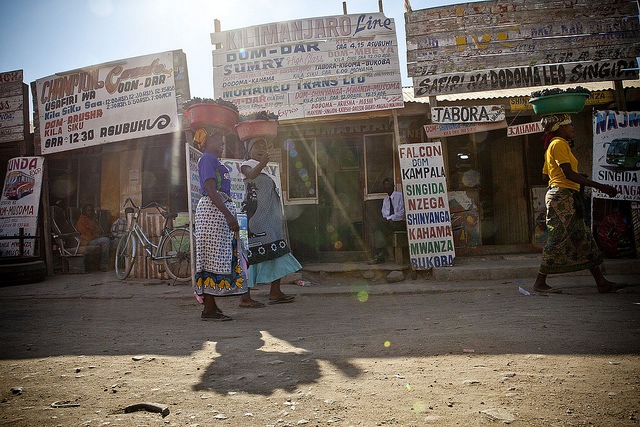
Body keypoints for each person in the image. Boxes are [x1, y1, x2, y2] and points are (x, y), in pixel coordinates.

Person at [533, 114, 620, 294]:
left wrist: (576, 179)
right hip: (562, 197)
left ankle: (601, 282)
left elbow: (546, 175)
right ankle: (540, 283)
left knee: (582, 237)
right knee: (562, 238)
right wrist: (601, 186)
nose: (572, 128)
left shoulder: (555, 145)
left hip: (563, 194)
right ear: (560, 128)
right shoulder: (558, 144)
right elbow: (568, 174)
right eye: (569, 125)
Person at [239, 136, 301, 307]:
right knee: (251, 256)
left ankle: (275, 292)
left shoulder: (266, 171)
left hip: (270, 220)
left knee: (277, 253)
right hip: (256, 220)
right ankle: (245, 297)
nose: (261, 149)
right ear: (248, 150)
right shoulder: (247, 165)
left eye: (263, 146)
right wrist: (262, 164)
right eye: (256, 145)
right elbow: (251, 175)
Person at [194, 127, 247, 321]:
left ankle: (211, 306)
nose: (222, 143)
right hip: (213, 213)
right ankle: (208, 308)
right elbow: (209, 188)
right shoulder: (207, 158)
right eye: (218, 139)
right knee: (212, 259)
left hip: (216, 213)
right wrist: (228, 216)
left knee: (218, 258)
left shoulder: (214, 160)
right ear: (207, 141)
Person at [369, 177, 406, 264]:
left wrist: (389, 218)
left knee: (379, 228)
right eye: (385, 186)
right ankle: (379, 254)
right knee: (378, 229)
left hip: (400, 223)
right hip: (389, 223)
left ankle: (379, 254)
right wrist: (387, 219)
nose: (387, 188)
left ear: (393, 186)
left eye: (389, 186)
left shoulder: (400, 196)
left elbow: (401, 214)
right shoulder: (385, 200)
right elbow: (384, 213)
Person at [75, 204, 111, 271]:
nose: (91, 212)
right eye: (89, 210)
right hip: (86, 243)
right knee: (106, 240)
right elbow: (84, 236)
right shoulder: (81, 221)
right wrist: (97, 236)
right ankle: (103, 265)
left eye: (92, 210)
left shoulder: (91, 220)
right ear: (84, 211)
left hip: (93, 240)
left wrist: (102, 234)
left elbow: (98, 231)